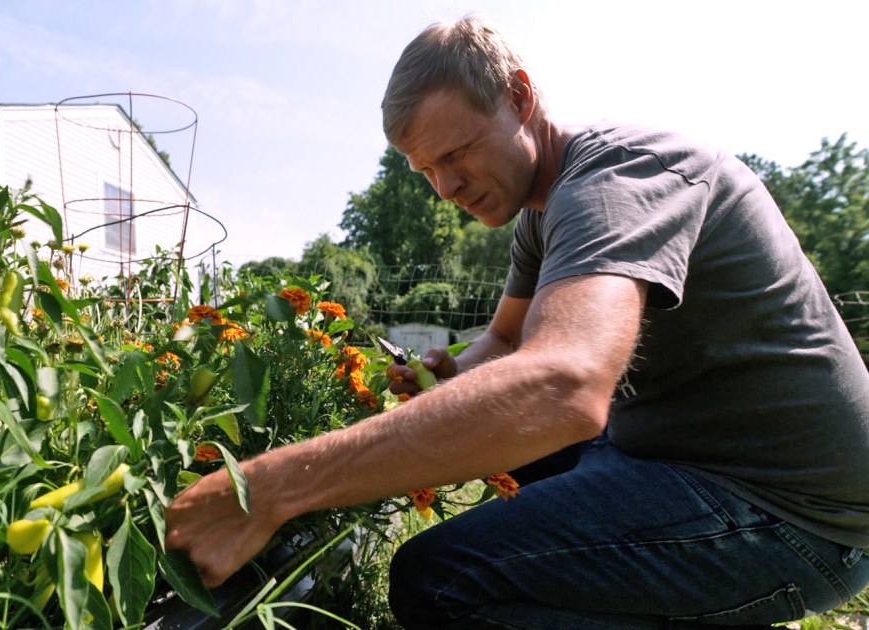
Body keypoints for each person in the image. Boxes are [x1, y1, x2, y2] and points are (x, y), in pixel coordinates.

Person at [164, 15, 869, 628]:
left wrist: (273, 488)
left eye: (455, 153)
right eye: (424, 171)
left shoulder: (621, 175)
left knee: (442, 579)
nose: (445, 188)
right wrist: (434, 379)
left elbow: (565, 384)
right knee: (495, 432)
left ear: (521, 98)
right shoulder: (541, 212)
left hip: (800, 516)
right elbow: (504, 341)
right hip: (680, 459)